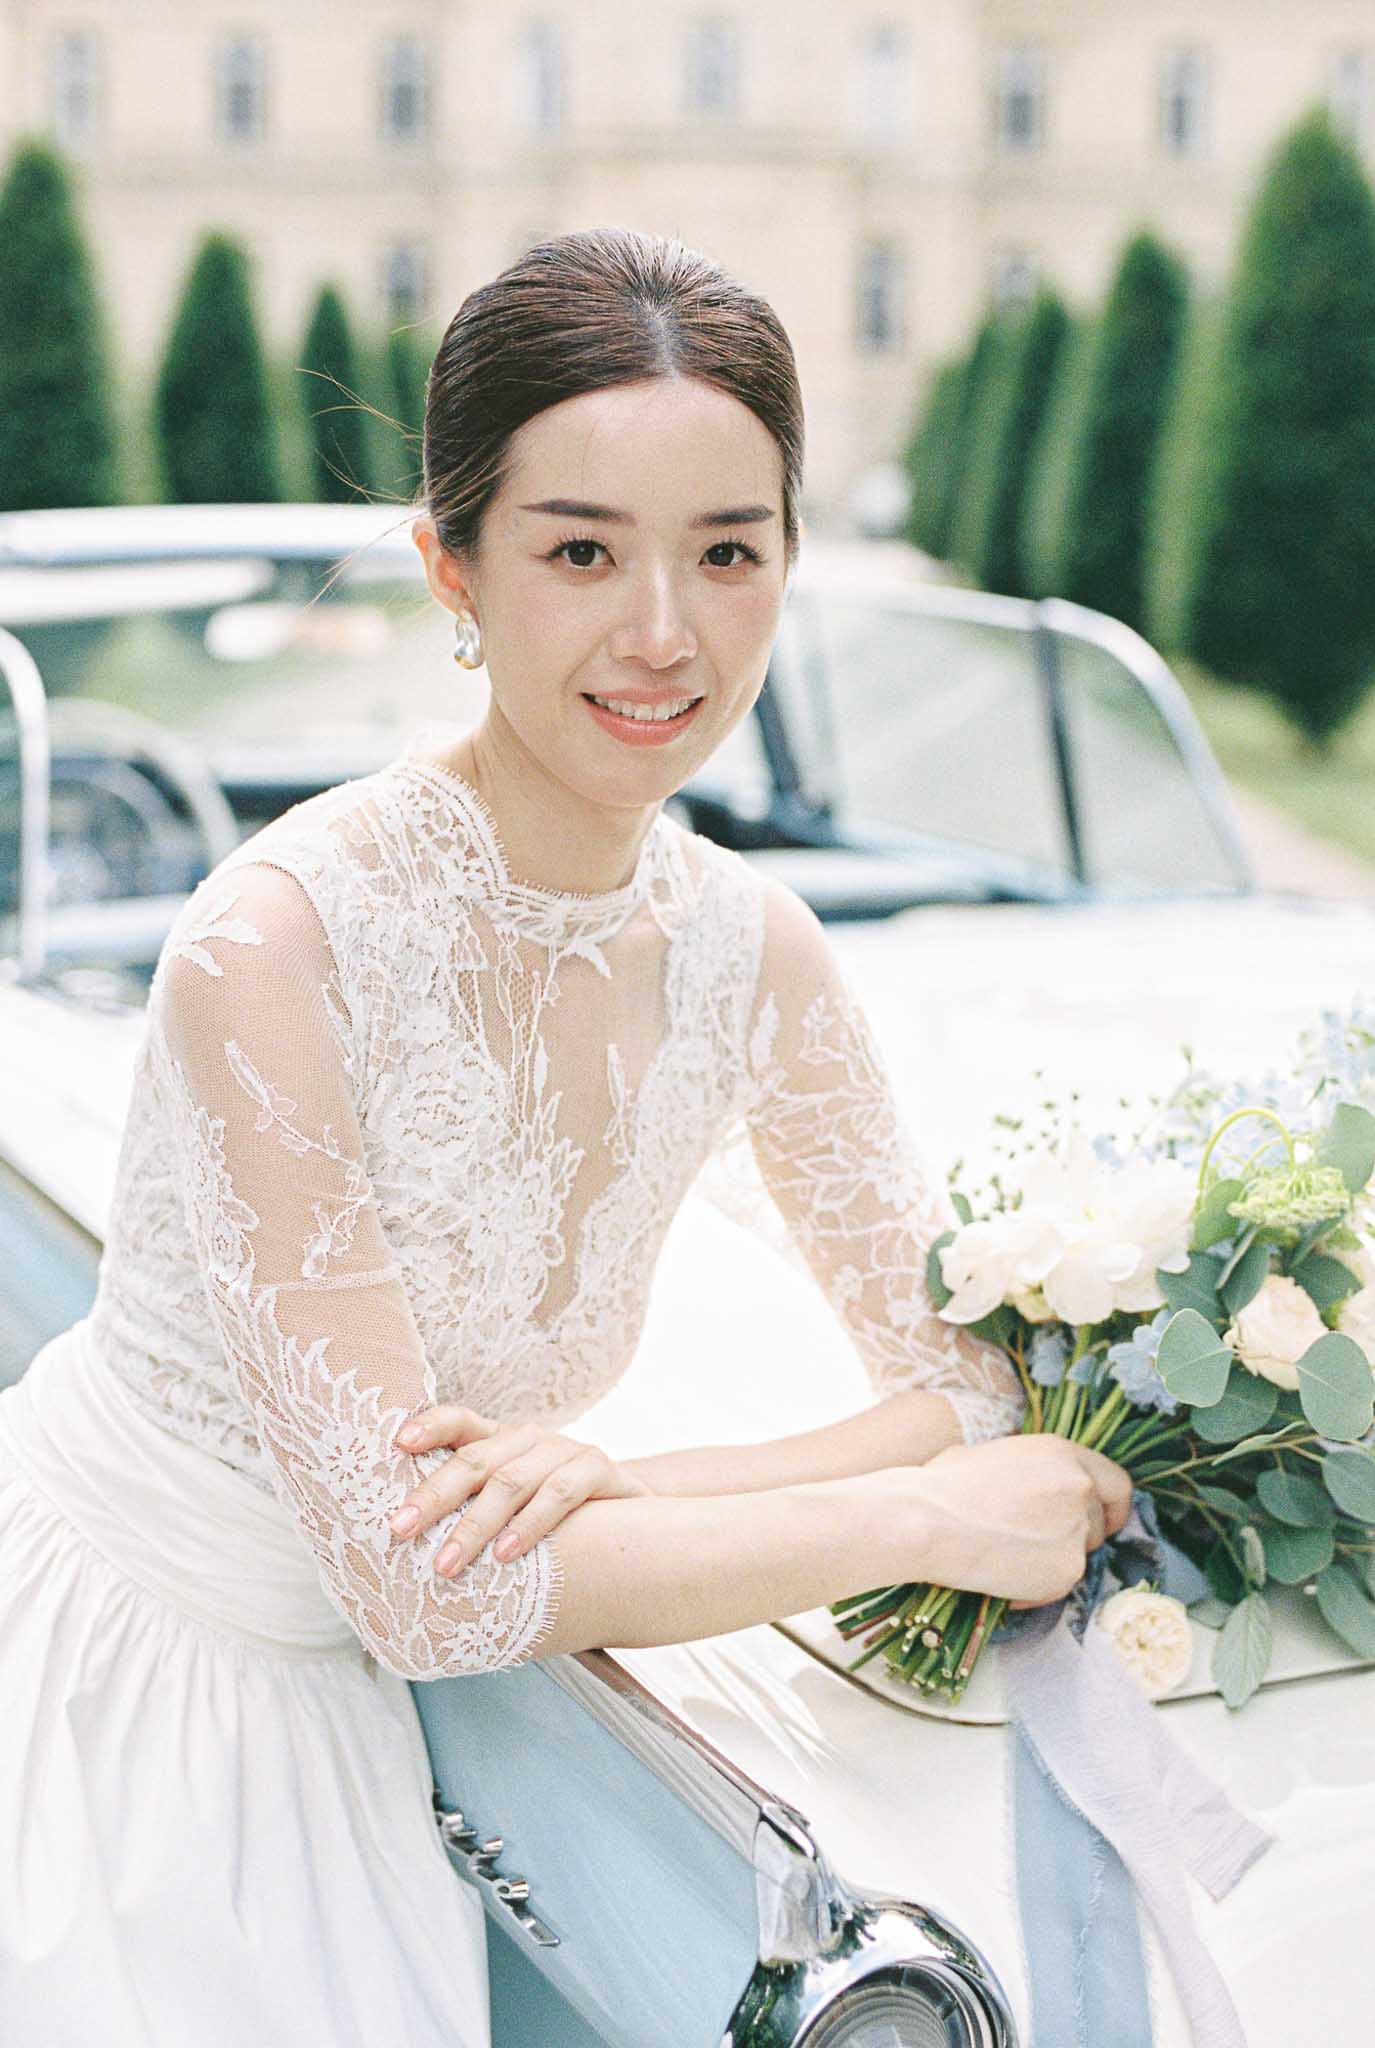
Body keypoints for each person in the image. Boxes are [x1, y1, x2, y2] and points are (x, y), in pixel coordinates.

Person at [0, 227, 1132, 2045]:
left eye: (729, 554)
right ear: (450, 564)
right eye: (582, 551)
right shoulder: (269, 948)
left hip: (363, 1723)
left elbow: (966, 1380)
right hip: (126, 1698)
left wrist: (635, 1479)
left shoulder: (756, 952)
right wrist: (918, 1515)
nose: (664, 634)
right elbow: (426, 1588)